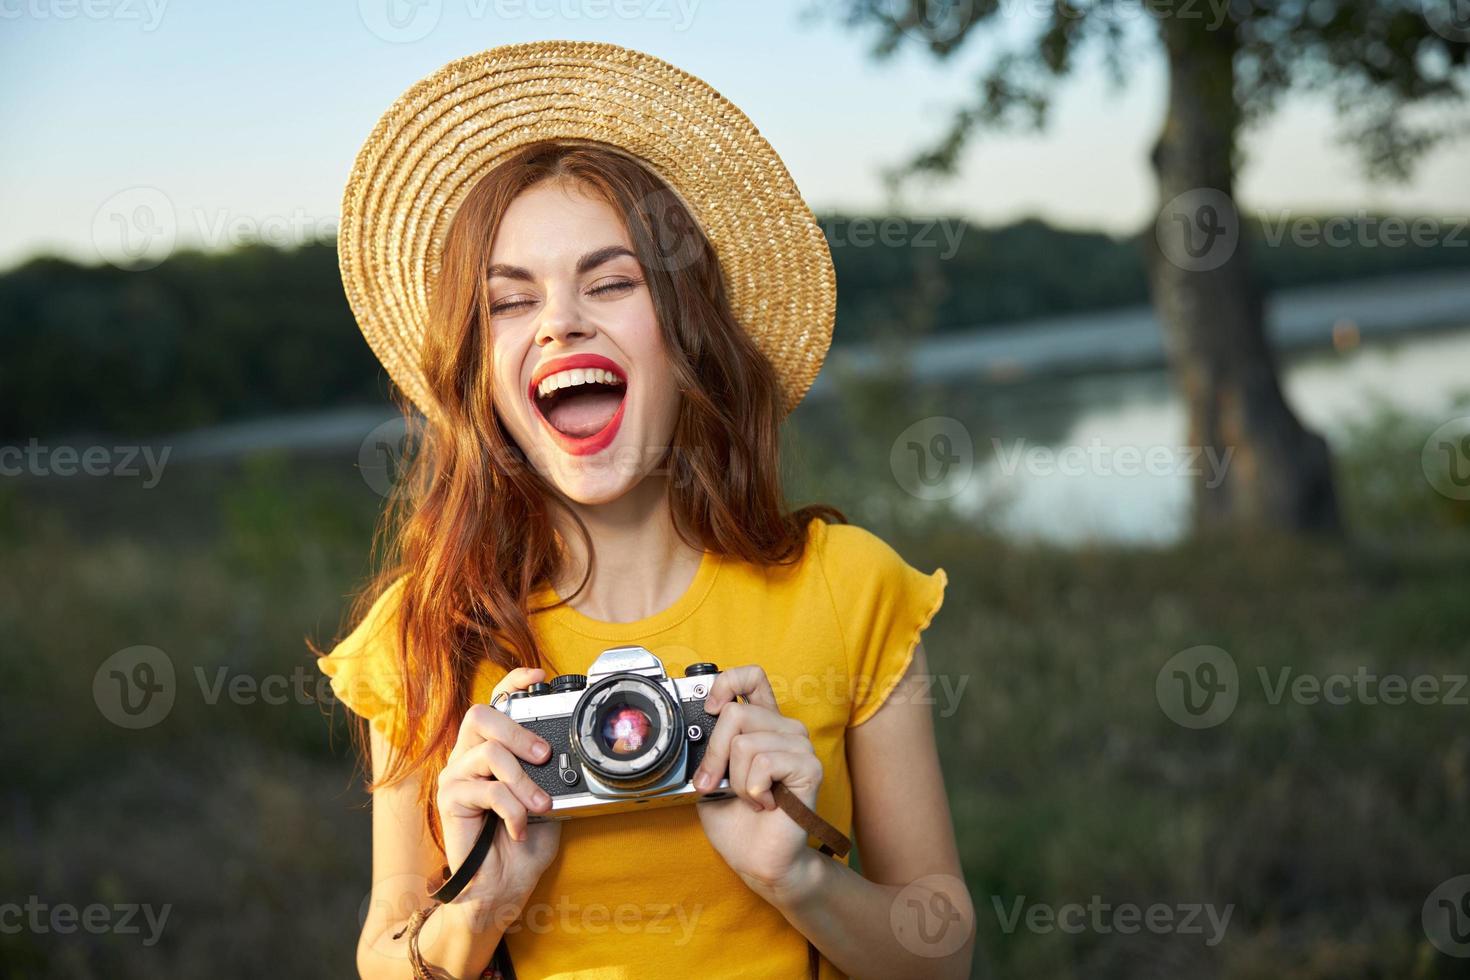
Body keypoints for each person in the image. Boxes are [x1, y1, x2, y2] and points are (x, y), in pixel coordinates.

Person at [315, 40, 974, 980]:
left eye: (613, 282)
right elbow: (386, 952)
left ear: (688, 334)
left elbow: (944, 953)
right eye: (509, 302)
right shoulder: (423, 631)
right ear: (480, 374)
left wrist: (800, 878)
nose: (559, 323)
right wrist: (483, 899)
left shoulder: (851, 587)